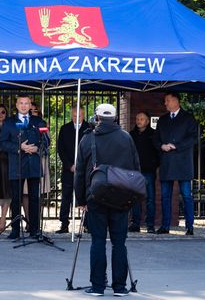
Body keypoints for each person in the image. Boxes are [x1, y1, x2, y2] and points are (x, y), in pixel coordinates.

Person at [74, 103, 139, 297]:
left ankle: (97, 287)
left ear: (97, 118)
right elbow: (136, 168)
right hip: (121, 197)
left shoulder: (87, 138)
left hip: (95, 197)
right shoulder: (126, 138)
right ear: (115, 118)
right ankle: (119, 287)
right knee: (119, 243)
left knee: (98, 241)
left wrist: (81, 200)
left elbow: (79, 172)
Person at [0, 94, 46, 240]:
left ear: (30, 105)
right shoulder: (9, 122)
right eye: (21, 103)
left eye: (27, 103)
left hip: (34, 165)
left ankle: (34, 229)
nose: (24, 106)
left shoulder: (38, 121)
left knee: (34, 198)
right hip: (17, 165)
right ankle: (15, 230)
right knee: (16, 198)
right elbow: (2, 143)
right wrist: (19, 147)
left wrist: (37, 148)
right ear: (17, 105)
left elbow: (46, 141)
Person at [153, 93, 198, 236]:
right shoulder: (162, 119)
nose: (165, 103)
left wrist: (176, 146)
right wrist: (161, 146)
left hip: (183, 162)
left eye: (167, 101)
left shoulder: (188, 118)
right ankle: (165, 226)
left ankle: (189, 227)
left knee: (186, 195)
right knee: (165, 196)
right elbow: (155, 138)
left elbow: (193, 138)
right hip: (167, 162)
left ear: (175, 101)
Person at [56, 106, 90, 234]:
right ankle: (64, 224)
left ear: (83, 115)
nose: (76, 118)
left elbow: (91, 149)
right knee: (66, 197)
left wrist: (82, 166)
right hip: (68, 169)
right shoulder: (64, 129)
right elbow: (61, 149)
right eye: (74, 115)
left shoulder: (89, 129)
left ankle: (87, 224)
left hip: (84, 170)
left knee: (86, 197)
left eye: (79, 115)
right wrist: (69, 165)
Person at [129, 111, 159, 233]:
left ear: (147, 121)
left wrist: (153, 165)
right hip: (135, 171)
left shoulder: (153, 134)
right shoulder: (131, 135)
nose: (138, 121)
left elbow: (158, 153)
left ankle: (150, 225)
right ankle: (135, 224)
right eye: (137, 119)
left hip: (149, 171)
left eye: (141, 119)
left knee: (150, 199)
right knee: (135, 198)